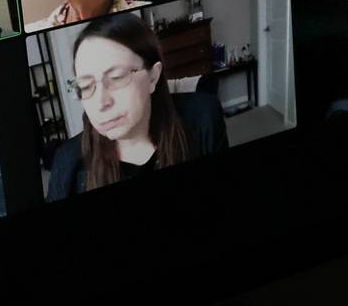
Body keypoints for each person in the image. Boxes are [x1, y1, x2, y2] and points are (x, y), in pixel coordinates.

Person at [47, 12, 227, 200]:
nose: (101, 102)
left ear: (153, 76)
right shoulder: (67, 164)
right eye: (86, 86)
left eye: (117, 78)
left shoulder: (204, 116)